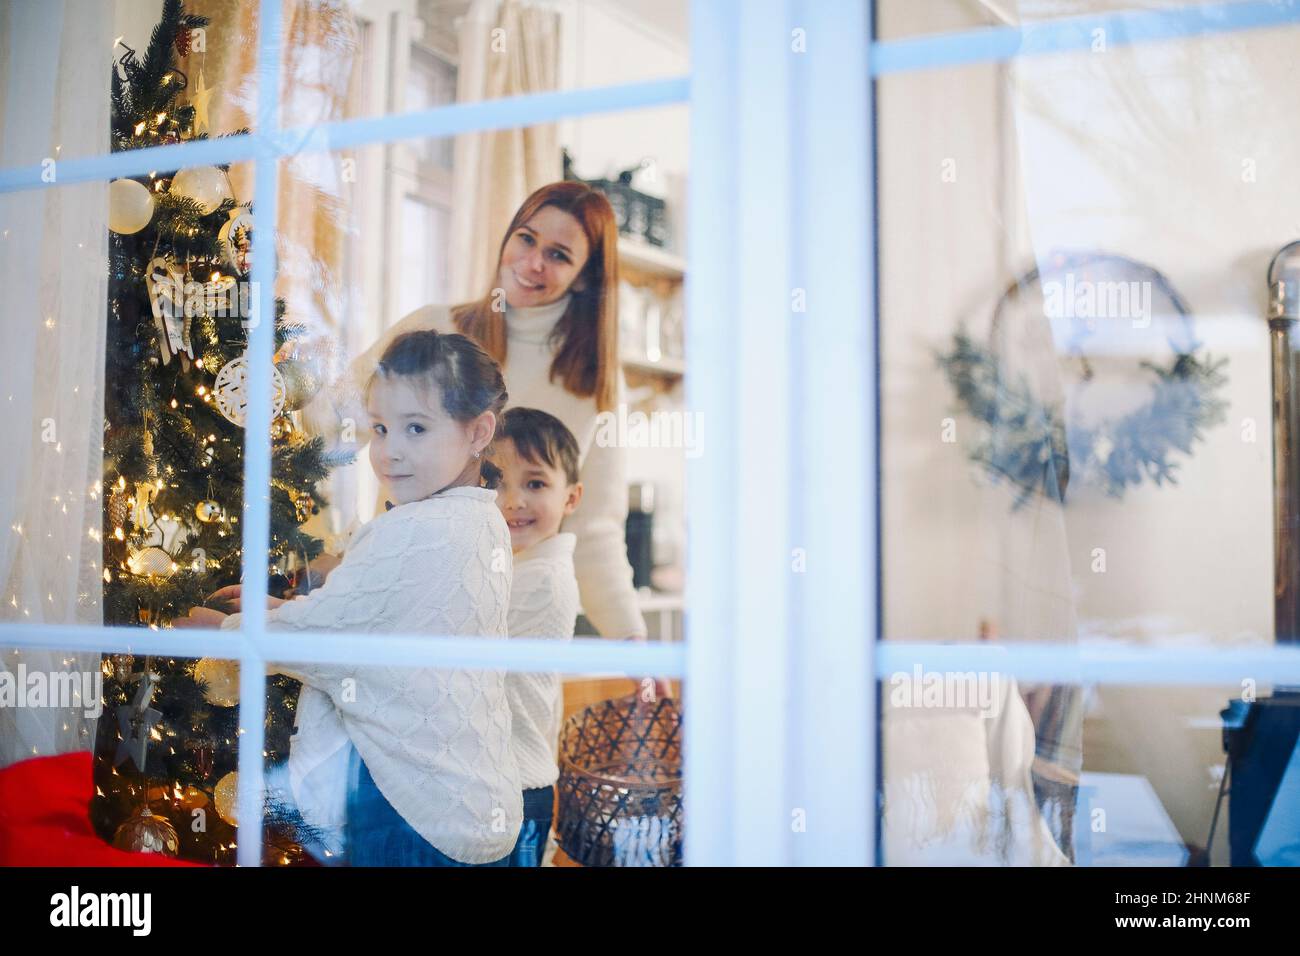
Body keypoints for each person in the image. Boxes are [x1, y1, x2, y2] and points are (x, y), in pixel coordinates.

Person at [179, 329, 521, 866]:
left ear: (478, 431)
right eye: (381, 428)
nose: (391, 451)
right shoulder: (477, 517)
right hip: (467, 797)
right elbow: (380, 622)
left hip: (411, 806)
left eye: (416, 428)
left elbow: (332, 640)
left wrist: (217, 630)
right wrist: (279, 611)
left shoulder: (421, 527)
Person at [342, 183, 663, 691]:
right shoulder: (434, 328)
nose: (533, 262)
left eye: (558, 255)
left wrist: (632, 640)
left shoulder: (595, 385)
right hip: (406, 604)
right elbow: (337, 424)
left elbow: (596, 527)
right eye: (526, 238)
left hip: (517, 635)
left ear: (585, 278)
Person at [490, 407, 583, 866]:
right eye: (497, 482)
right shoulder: (512, 565)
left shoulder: (540, 578)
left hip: (516, 788)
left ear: (572, 498)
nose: (513, 501)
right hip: (510, 782)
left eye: (535, 484)